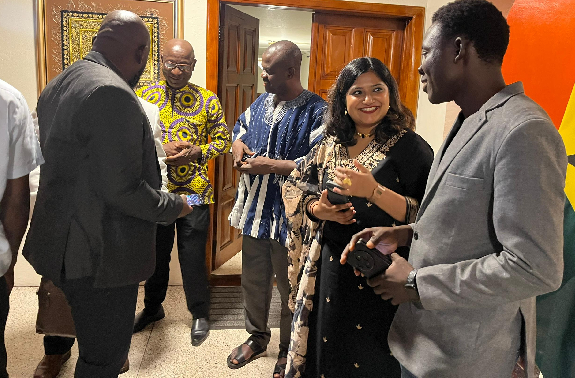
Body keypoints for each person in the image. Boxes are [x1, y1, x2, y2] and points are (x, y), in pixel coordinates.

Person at [341, 0, 568, 378]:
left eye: (427, 51)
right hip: (425, 340)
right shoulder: (470, 119)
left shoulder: (523, 130)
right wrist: (407, 233)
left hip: (467, 356)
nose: (419, 66)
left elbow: (535, 267)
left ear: (459, 49)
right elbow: (470, 221)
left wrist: (416, 283)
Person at [23, 10, 192, 377]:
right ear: (142, 53)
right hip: (99, 253)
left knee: (93, 345)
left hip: (64, 242)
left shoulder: (61, 82)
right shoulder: (111, 92)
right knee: (103, 360)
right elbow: (123, 189)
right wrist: (174, 205)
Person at [282, 57, 433, 377]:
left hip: (382, 271)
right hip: (331, 267)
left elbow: (428, 216)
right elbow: (295, 184)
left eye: (377, 89)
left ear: (390, 94)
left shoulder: (411, 148)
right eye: (357, 92)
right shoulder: (330, 143)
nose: (368, 100)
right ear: (343, 99)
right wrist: (317, 209)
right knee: (329, 346)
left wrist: (374, 191)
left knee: (371, 356)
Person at [30, 96, 168, 378]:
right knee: (60, 285)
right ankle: (56, 350)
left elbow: (156, 164)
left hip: (120, 219)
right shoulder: (58, 102)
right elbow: (37, 159)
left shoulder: (145, 109)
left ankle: (115, 349)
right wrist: (46, 205)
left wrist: (154, 205)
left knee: (117, 289)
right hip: (68, 217)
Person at [226, 41, 327, 378]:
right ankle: (257, 337)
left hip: (291, 218)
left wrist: (270, 165)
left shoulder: (318, 111)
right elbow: (240, 128)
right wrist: (237, 144)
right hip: (255, 212)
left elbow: (318, 163)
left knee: (289, 287)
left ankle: (288, 348)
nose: (263, 76)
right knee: (253, 281)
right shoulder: (261, 102)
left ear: (290, 71)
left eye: (268, 71)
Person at [133, 39, 231, 346]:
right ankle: (153, 308)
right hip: (156, 192)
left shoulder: (208, 100)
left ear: (193, 65)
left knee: (192, 257)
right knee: (156, 256)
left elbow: (224, 140)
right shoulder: (142, 96)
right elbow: (132, 140)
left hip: (195, 193)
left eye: (183, 65)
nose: (176, 71)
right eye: (170, 64)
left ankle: (199, 313)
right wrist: (163, 148)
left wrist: (198, 152)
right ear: (161, 61)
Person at [0, 79, 44, 378]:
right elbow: (22, 189)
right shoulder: (11, 101)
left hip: (191, 195)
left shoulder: (8, 101)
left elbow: (17, 194)